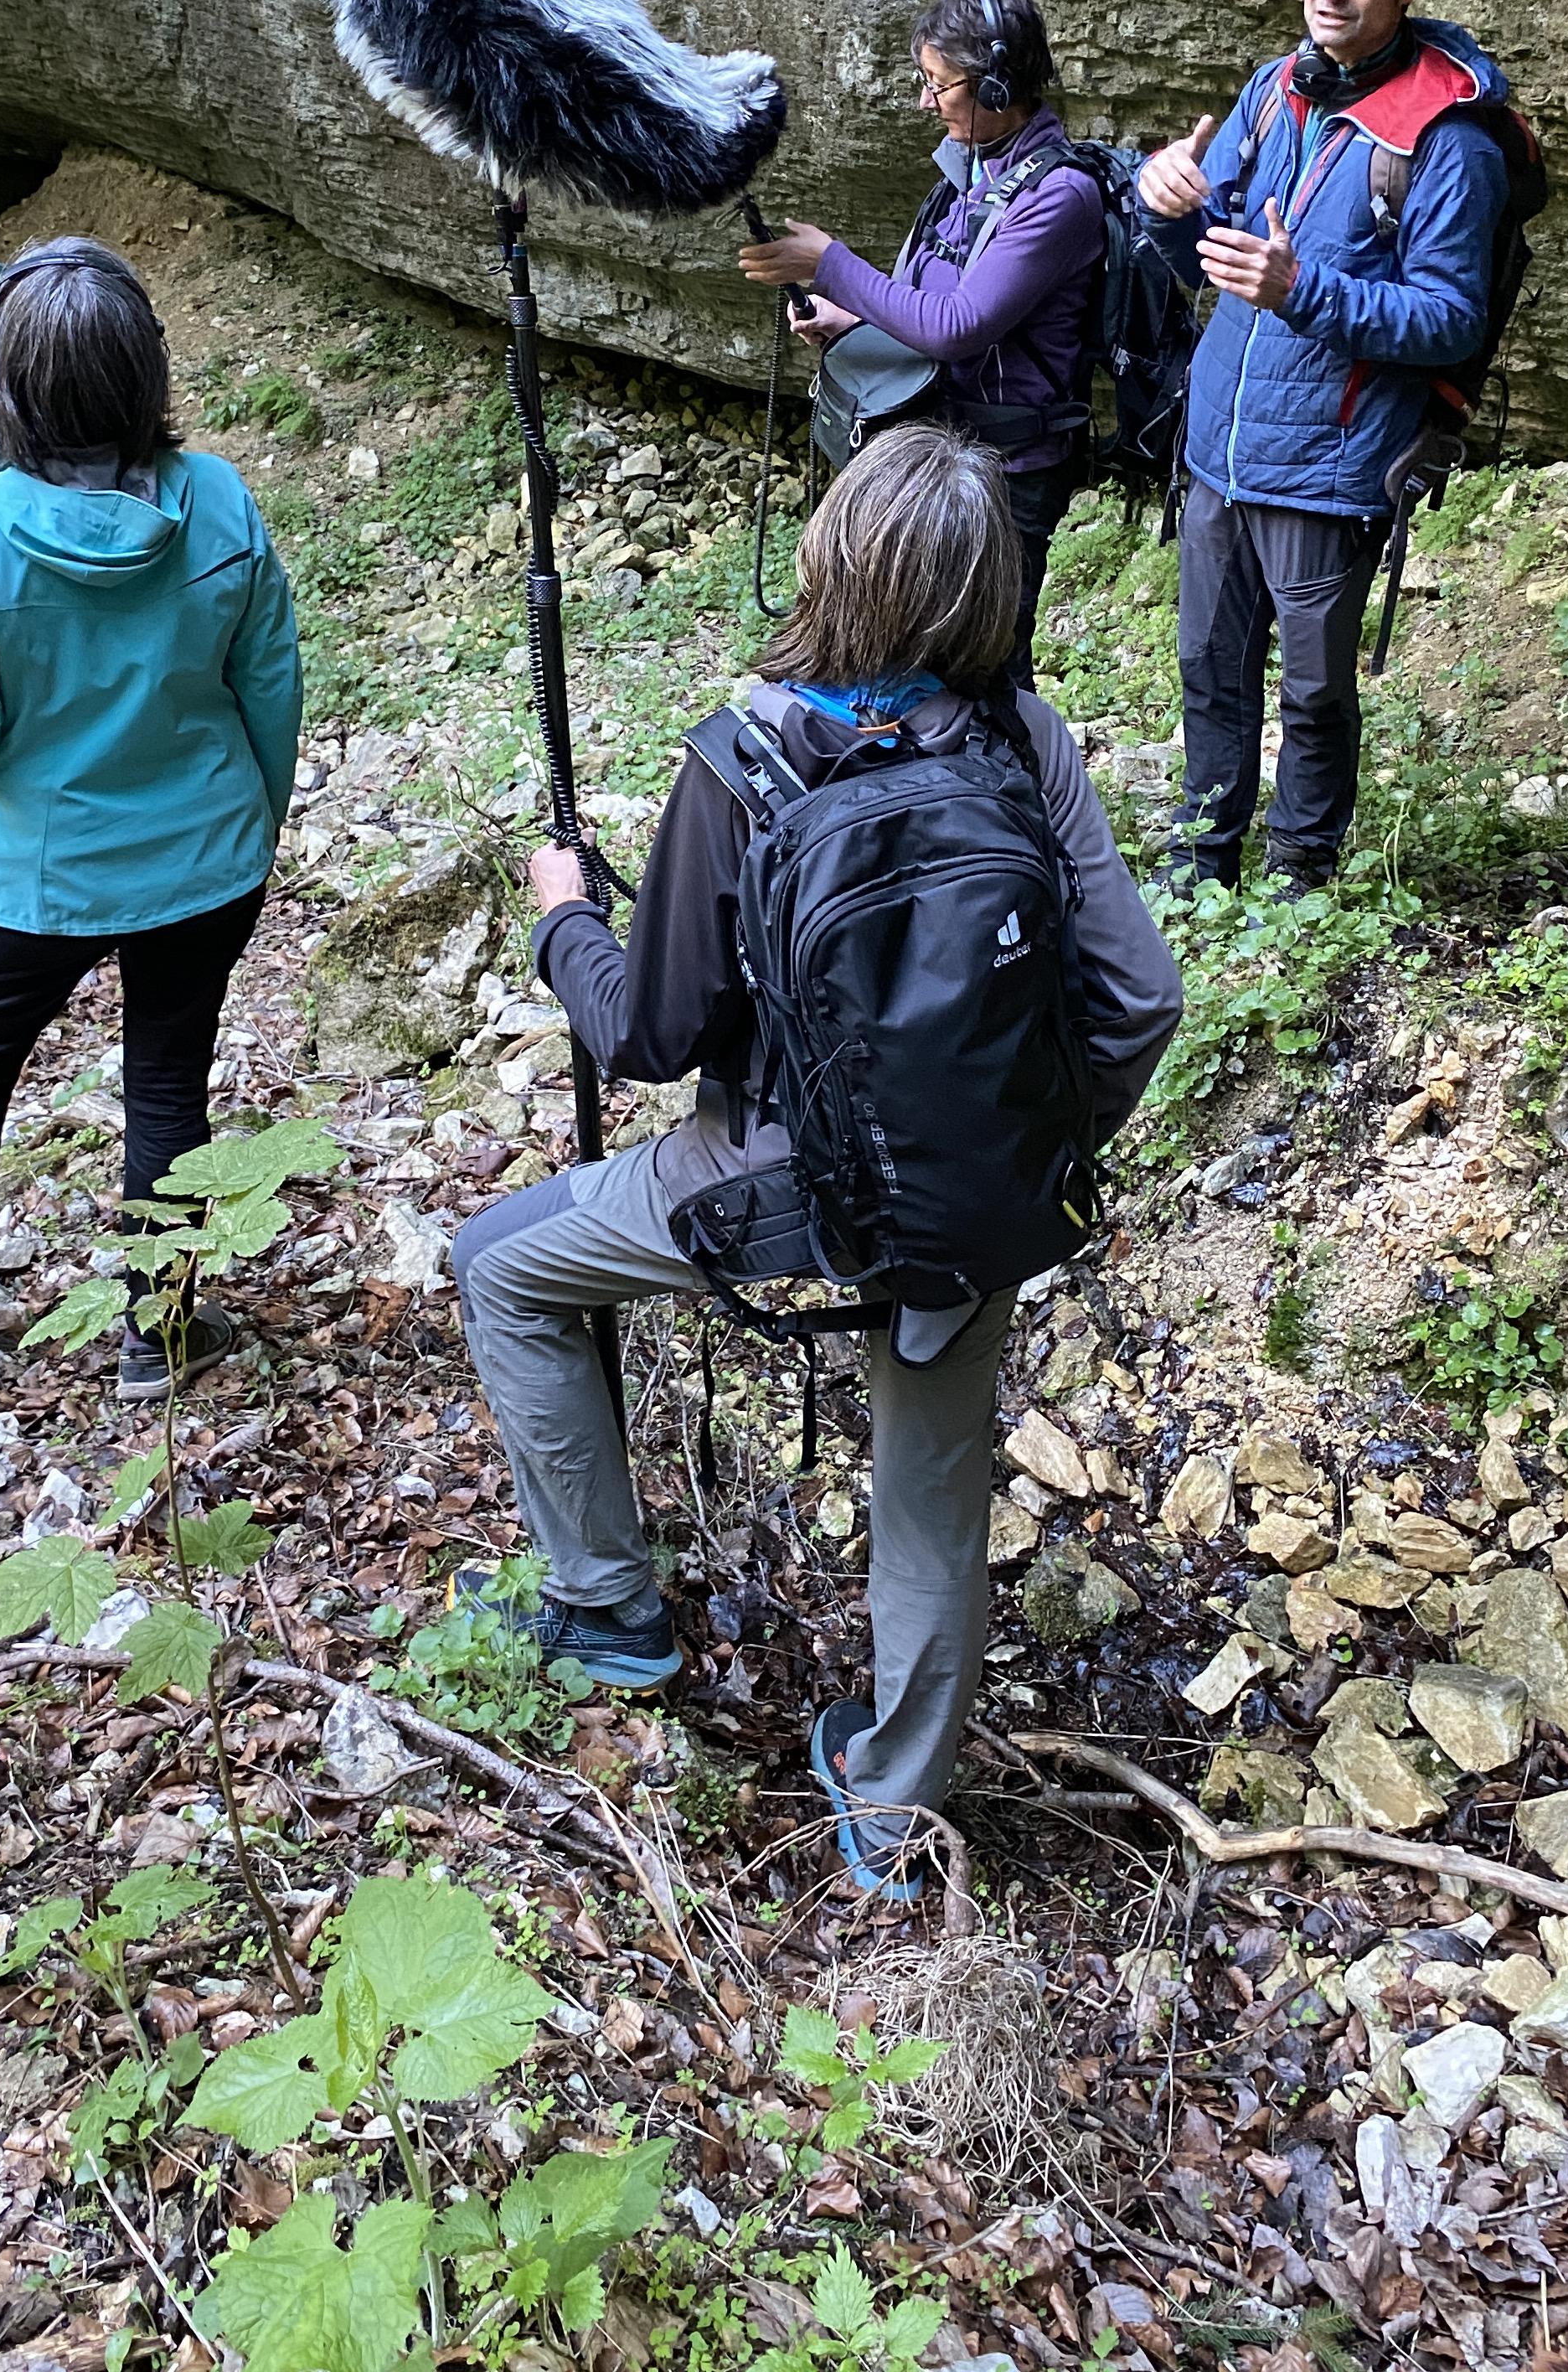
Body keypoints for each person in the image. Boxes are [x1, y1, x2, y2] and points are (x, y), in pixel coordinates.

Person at [451, 424, 1181, 1901]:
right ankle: (895, 1819)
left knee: (499, 1266)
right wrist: (1023, 1146)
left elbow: (645, 1035)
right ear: (989, 590)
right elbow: (1140, 1000)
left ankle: (609, 1607)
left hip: (774, 1182)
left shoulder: (743, 760)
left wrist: (562, 916)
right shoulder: (1022, 741)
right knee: (930, 1486)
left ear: (830, 560)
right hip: (974, 1193)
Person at [0, 236, 301, 1395]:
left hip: (39, 875)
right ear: (149, 370)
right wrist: (254, 826)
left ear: (0, 388)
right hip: (207, 861)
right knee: (166, 1085)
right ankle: (157, 1339)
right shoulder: (220, 499)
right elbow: (269, 684)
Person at [1136, 0, 1514, 893]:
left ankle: (1302, 871)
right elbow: (1205, 251)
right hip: (1221, 446)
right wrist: (1163, 201)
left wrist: (1300, 290)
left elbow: (1452, 318)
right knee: (1209, 668)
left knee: (1311, 688)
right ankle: (1202, 857)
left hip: (1331, 459)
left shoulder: (1448, 140)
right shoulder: (1274, 90)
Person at [735, 0, 1105, 687]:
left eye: (939, 84)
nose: (925, 102)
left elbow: (959, 326)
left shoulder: (1058, 195)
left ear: (996, 86)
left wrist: (831, 265)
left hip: (1008, 472)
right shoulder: (967, 171)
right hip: (938, 453)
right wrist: (850, 317)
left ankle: (1011, 759)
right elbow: (922, 298)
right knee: (916, 652)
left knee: (985, 664)